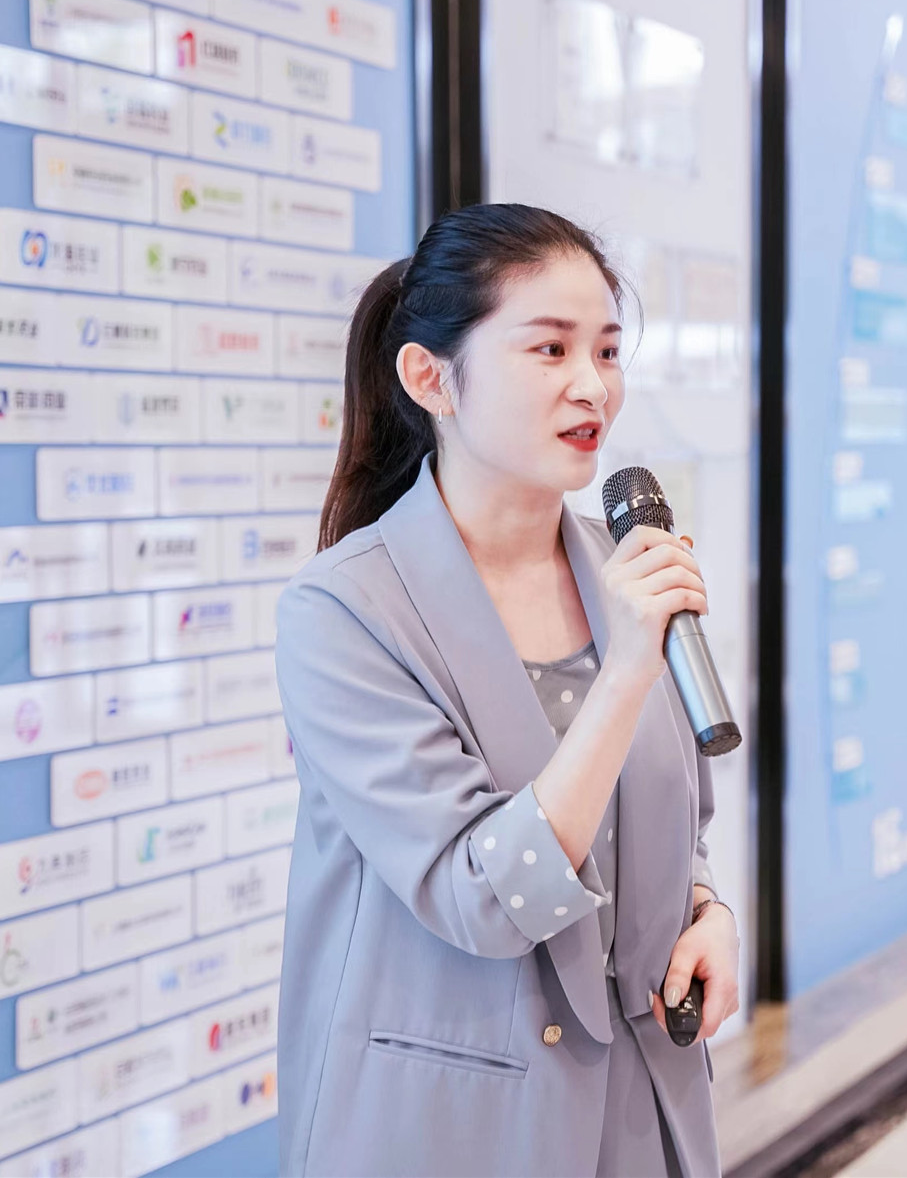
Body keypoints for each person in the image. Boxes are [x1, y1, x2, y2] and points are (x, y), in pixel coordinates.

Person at [274, 203, 740, 1177]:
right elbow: (484, 896)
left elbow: (670, 819)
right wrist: (626, 669)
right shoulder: (344, 611)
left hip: (645, 1105)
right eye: (550, 348)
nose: (593, 385)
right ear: (429, 377)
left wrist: (707, 910)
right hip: (457, 1126)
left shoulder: (622, 569)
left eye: (606, 351)